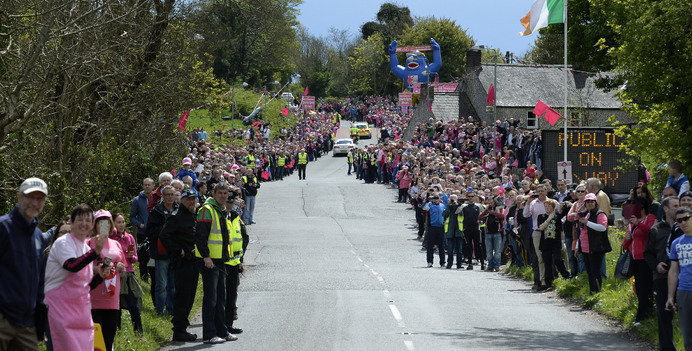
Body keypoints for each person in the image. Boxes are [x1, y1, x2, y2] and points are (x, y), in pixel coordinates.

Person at [44, 204, 111, 351]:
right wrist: (95, 252)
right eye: (80, 220)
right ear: (72, 223)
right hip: (60, 311)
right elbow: (71, 265)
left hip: (81, 315)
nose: (84, 224)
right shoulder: (63, 243)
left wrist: (100, 276)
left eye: (88, 220)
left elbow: (86, 286)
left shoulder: (86, 248)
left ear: (92, 225)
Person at [0, 178, 48, 351]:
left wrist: (38, 319)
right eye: (30, 197)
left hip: (27, 323)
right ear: (19, 196)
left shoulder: (38, 236)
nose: (35, 203)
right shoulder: (3, 227)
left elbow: (39, 280)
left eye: (40, 198)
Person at [195, 183, 235, 344]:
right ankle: (209, 334)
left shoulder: (221, 210)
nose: (223, 196)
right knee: (211, 298)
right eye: (220, 193)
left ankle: (222, 331)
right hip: (210, 261)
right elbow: (200, 236)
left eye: (226, 193)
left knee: (220, 298)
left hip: (220, 260)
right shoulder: (207, 210)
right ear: (213, 193)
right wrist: (206, 257)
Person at [159, 189, 200, 342]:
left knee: (190, 296)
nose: (191, 201)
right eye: (188, 199)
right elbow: (164, 235)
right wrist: (179, 251)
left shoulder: (191, 214)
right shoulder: (176, 216)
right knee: (182, 296)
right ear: (182, 200)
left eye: (193, 199)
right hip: (183, 262)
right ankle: (178, 330)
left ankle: (183, 325)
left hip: (193, 261)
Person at [644, 196, 680, 350]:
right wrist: (656, 265)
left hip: (683, 278)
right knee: (664, 316)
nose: (678, 208)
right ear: (665, 209)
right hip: (661, 277)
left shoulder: (683, 227)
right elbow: (648, 253)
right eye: (675, 206)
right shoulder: (656, 229)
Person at [622, 197, 656, 326]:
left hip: (646, 259)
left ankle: (642, 317)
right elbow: (625, 245)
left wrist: (638, 223)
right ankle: (644, 314)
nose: (638, 210)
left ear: (644, 208)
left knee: (646, 288)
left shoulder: (650, 218)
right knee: (639, 288)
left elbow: (651, 232)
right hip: (634, 259)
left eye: (640, 208)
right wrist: (627, 238)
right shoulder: (631, 223)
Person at [146, 185, 178, 315]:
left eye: (172, 194)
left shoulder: (179, 209)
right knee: (161, 285)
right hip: (161, 253)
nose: (170, 197)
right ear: (163, 196)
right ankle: (160, 310)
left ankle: (171, 311)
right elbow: (150, 231)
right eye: (167, 195)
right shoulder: (156, 211)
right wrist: (166, 229)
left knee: (173, 286)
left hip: (175, 252)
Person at [111, 212, 143, 333]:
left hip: (129, 273)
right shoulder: (111, 237)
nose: (121, 224)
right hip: (115, 274)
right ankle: (116, 332)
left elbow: (135, 259)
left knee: (133, 305)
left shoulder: (129, 237)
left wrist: (131, 256)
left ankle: (139, 332)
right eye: (118, 222)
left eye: (123, 222)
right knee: (116, 306)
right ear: (113, 223)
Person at [666, 207, 692, 350]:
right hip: (683, 292)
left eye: (686, 218)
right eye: (679, 220)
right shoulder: (677, 243)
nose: (683, 223)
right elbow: (674, 271)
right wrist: (671, 296)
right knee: (687, 336)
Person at [577, 193, 611, 294]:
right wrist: (578, 247)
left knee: (595, 271)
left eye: (592, 202)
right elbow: (581, 231)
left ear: (595, 203)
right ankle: (592, 292)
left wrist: (587, 223)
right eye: (588, 202)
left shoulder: (600, 214)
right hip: (585, 248)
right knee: (589, 272)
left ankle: (597, 292)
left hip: (596, 247)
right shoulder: (584, 214)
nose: (590, 204)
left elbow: (602, 227)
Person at [224, 192, 245, 337]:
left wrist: (241, 261)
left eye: (231, 202)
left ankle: (229, 325)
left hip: (234, 262)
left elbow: (241, 239)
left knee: (232, 296)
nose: (229, 205)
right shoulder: (220, 217)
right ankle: (220, 326)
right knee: (221, 296)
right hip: (221, 262)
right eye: (227, 202)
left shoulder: (236, 217)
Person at [537, 199, 569, 290]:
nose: (547, 208)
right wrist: (549, 218)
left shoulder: (557, 217)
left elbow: (561, 231)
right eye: (546, 206)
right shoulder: (541, 216)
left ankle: (566, 275)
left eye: (549, 206)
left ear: (553, 208)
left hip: (556, 242)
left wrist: (562, 243)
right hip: (545, 243)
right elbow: (541, 228)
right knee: (547, 262)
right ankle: (549, 283)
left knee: (557, 259)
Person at [524, 184, 549, 288]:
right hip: (537, 232)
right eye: (538, 191)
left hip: (549, 231)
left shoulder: (551, 202)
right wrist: (528, 203)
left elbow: (558, 214)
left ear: (546, 191)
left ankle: (548, 280)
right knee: (537, 258)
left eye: (542, 191)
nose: (540, 193)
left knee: (548, 257)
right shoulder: (533, 203)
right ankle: (537, 281)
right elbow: (526, 215)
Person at [130, 178, 153, 278]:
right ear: (142, 186)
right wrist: (140, 225)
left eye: (149, 185)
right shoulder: (137, 200)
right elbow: (131, 217)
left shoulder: (156, 199)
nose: (147, 186)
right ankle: (144, 276)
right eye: (145, 185)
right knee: (143, 255)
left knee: (153, 255)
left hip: (154, 232)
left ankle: (152, 274)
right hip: (142, 232)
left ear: (153, 186)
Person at [480, 196, 505, 272]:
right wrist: (486, 211)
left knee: (497, 251)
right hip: (488, 233)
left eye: (491, 203)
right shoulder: (487, 210)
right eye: (489, 203)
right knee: (489, 251)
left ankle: (497, 265)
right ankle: (490, 266)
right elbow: (480, 217)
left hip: (497, 233)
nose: (490, 204)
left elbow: (502, 216)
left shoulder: (499, 209)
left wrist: (493, 212)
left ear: (494, 202)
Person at [463, 192, 485, 270]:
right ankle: (470, 263)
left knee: (478, 246)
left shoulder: (478, 206)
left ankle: (482, 263)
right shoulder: (464, 207)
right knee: (469, 246)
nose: (471, 198)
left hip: (476, 228)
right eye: (469, 196)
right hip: (467, 229)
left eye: (472, 196)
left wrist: (481, 221)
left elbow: (484, 213)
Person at [423, 192, 446, 268]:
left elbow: (446, 213)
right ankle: (430, 261)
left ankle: (442, 262)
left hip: (441, 227)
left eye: (437, 197)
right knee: (430, 245)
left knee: (441, 245)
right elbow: (424, 208)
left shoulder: (442, 206)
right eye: (435, 197)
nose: (436, 199)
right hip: (432, 226)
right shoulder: (430, 205)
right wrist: (429, 201)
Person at [442, 195, 464, 269]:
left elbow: (462, 213)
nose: (452, 200)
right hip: (450, 231)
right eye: (451, 199)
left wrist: (457, 205)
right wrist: (448, 206)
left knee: (459, 250)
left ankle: (459, 264)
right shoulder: (448, 207)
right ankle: (449, 264)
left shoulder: (460, 206)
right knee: (450, 250)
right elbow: (444, 214)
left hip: (459, 231)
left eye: (454, 199)